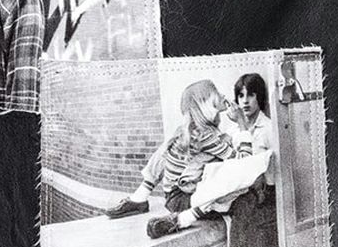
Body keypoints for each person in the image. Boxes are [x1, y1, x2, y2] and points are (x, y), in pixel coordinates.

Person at [104, 79, 256, 237]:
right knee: (239, 185)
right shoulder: (205, 135)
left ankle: (141, 197)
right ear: (205, 103)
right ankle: (182, 220)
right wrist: (242, 123)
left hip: (172, 197)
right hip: (184, 201)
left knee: (173, 143)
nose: (223, 95)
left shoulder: (193, 129)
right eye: (216, 93)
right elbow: (245, 162)